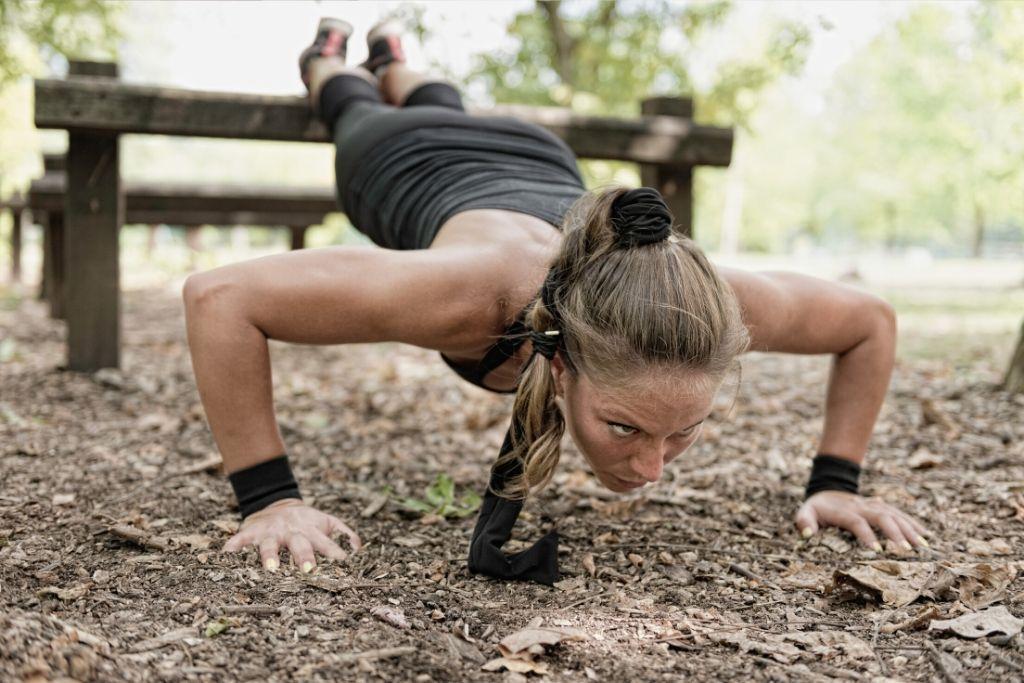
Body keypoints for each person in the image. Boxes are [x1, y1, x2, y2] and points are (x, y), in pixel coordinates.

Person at [183, 18, 929, 582]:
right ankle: (334, 59)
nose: (650, 469)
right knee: (352, 108)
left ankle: (397, 59)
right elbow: (219, 296)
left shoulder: (695, 307)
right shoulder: (464, 298)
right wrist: (268, 496)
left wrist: (837, 482)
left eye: (682, 433)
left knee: (441, 102)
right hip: (402, 161)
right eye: (626, 425)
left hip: (533, 148)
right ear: (564, 363)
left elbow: (869, 320)